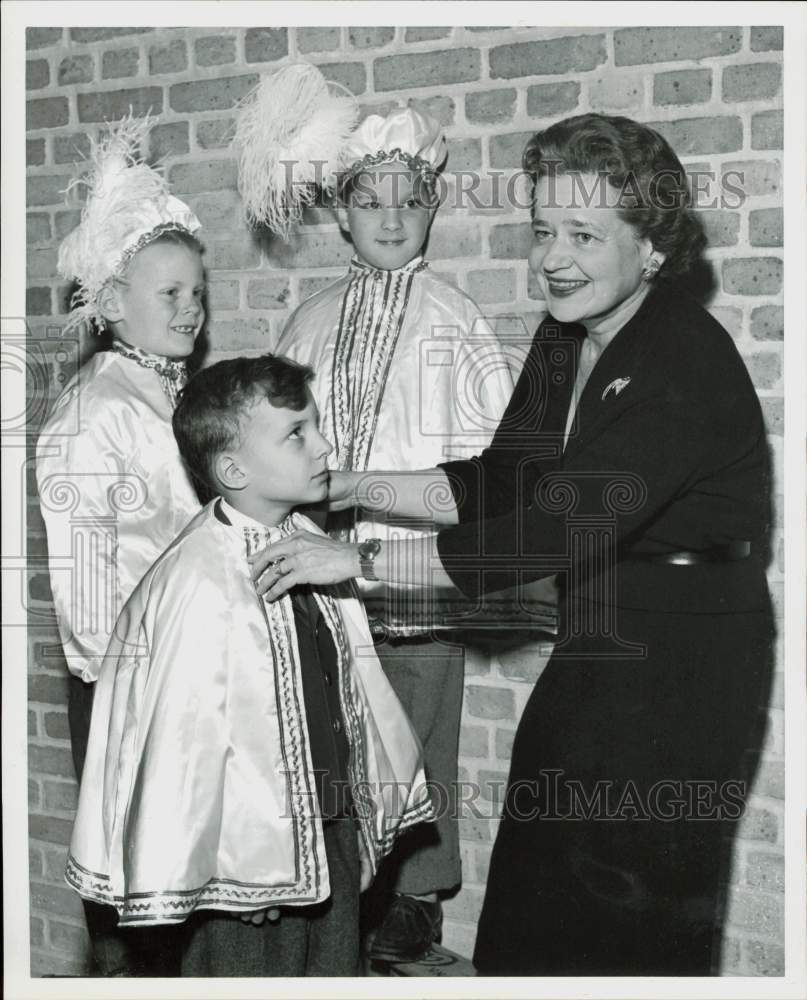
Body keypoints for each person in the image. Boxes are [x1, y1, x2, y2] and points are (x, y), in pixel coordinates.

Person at [247, 113, 774, 976]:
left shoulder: (684, 361)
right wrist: (353, 487)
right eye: (541, 232)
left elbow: (547, 533)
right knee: (538, 889)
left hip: (688, 660)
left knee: (629, 910)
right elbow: (502, 482)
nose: (551, 259)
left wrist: (361, 562)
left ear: (651, 249)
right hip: (601, 633)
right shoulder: (565, 339)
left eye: (582, 236)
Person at [236, 71, 516, 964]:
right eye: (369, 202)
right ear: (342, 213)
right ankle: (336, 886)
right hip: (320, 577)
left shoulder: (455, 319)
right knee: (335, 732)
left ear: (430, 209)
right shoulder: (308, 321)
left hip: (415, 569)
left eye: (409, 202)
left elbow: (490, 473)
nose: (390, 220)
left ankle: (413, 901)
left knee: (418, 733)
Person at [65, 354, 434, 977]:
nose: (322, 448)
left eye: (315, 426)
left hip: (331, 824)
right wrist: (239, 868)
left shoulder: (306, 542)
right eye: (297, 433)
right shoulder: (198, 580)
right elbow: (187, 749)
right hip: (245, 868)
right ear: (233, 468)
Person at [35, 118, 205, 976]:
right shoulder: (93, 414)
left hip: (190, 681)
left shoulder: (172, 399)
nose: (190, 309)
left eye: (195, 292)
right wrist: (145, 704)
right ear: (110, 304)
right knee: (139, 920)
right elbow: (89, 607)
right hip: (130, 695)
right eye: (167, 294)